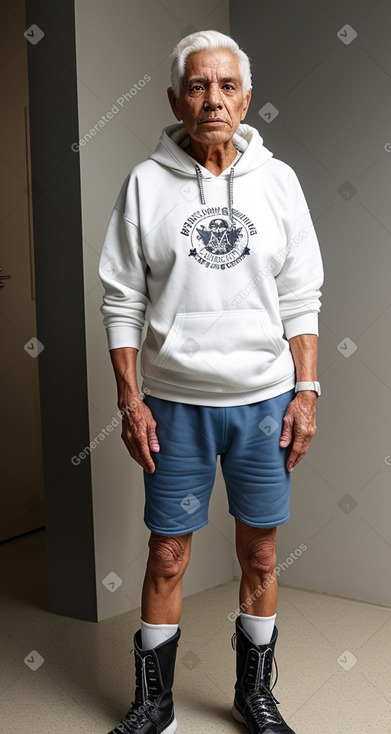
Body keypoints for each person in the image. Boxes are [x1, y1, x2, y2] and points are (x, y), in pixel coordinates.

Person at [98, 29, 323, 734]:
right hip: (173, 406)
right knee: (167, 554)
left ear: (247, 98)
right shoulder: (144, 183)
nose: (212, 99)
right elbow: (120, 300)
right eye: (197, 86)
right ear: (175, 99)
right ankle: (154, 706)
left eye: (226, 86)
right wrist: (129, 400)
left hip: (262, 400)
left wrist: (307, 391)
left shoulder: (279, 183)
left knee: (259, 552)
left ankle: (252, 697)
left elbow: (301, 296)